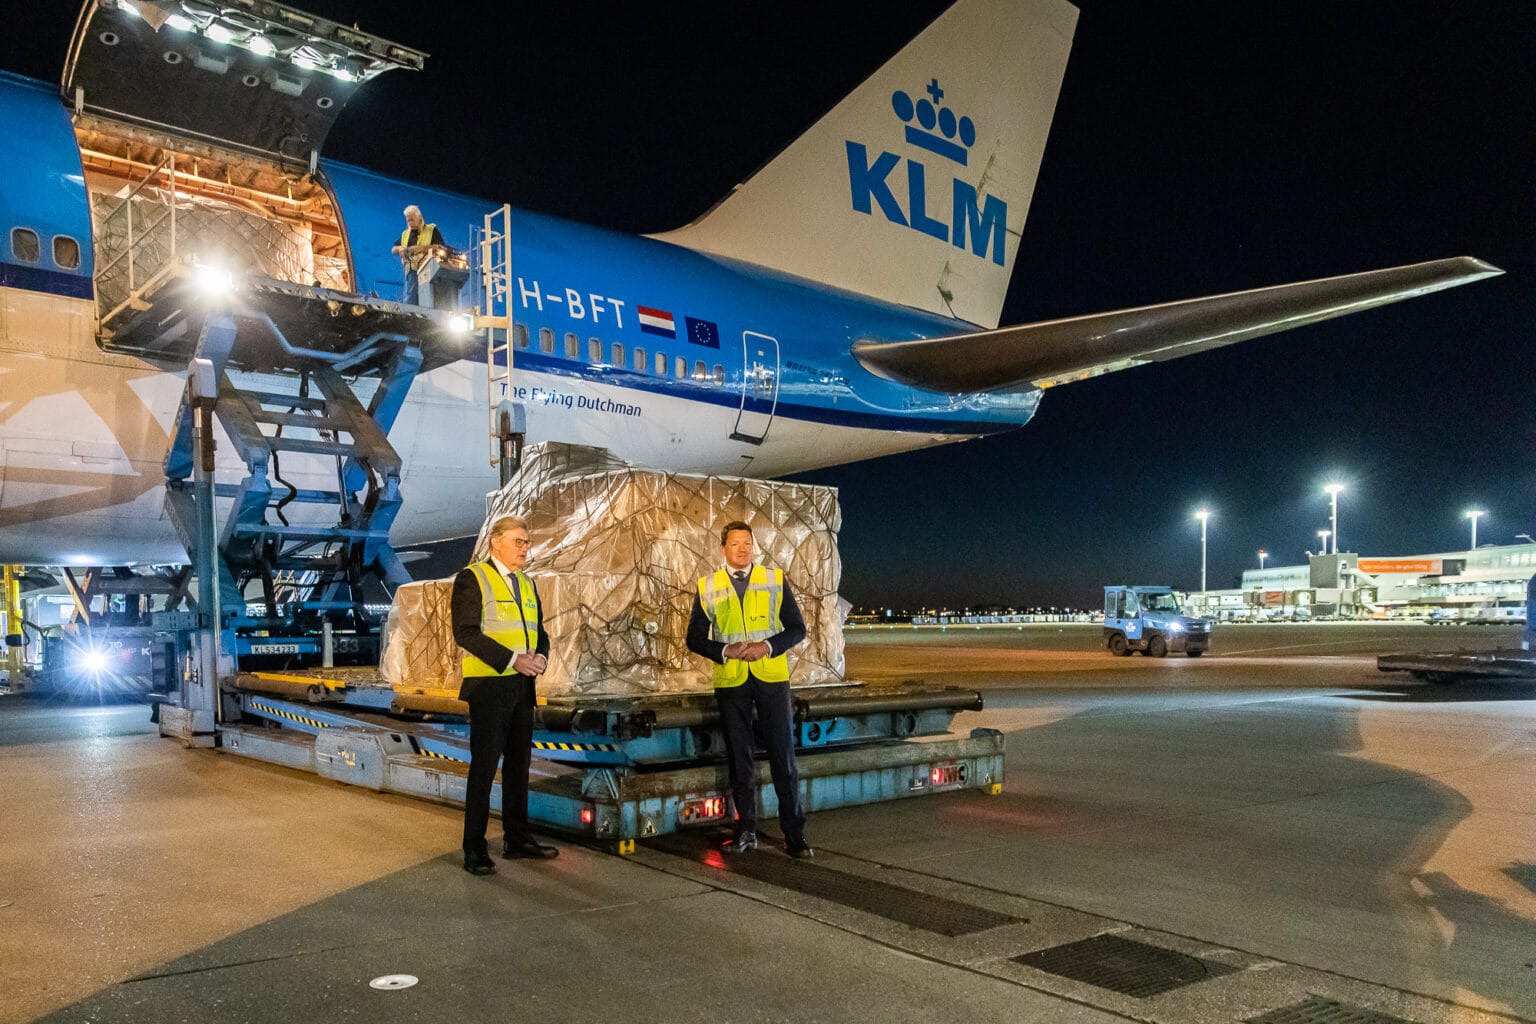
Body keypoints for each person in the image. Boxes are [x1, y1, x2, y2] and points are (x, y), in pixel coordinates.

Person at [686, 520, 813, 858]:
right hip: (732, 680)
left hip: (771, 676)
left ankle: (794, 832)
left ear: (755, 546)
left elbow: (798, 628)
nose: (743, 549)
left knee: (783, 756)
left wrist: (768, 646)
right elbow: (694, 638)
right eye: (735, 544)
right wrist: (724, 650)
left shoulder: (773, 579)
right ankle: (745, 830)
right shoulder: (708, 586)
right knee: (739, 760)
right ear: (723, 548)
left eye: (748, 543)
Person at [451, 515, 558, 875]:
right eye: (519, 541)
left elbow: (538, 631)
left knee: (519, 767)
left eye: (527, 542)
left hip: (522, 687)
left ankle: (517, 838)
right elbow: (465, 632)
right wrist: (513, 660)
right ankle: (474, 848)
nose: (525, 548)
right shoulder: (473, 578)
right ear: (496, 542)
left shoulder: (526, 583)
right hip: (490, 687)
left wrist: (541, 655)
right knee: (483, 769)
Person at [391, 204, 443, 305]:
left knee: (426, 298)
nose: (410, 223)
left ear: (419, 218)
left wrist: (420, 249)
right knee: (411, 297)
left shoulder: (431, 230)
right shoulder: (405, 234)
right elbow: (393, 249)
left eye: (412, 220)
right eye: (408, 220)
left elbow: (440, 247)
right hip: (411, 273)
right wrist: (400, 248)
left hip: (428, 270)